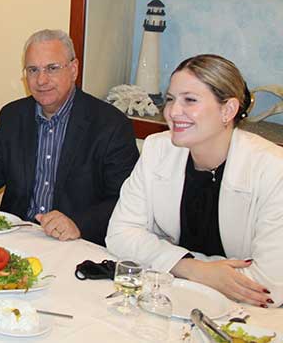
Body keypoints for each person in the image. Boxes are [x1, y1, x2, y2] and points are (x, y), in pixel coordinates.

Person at [0, 29, 139, 246]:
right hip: (15, 237)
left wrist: (79, 224)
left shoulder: (110, 124)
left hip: (74, 243)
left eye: (52, 68)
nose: (41, 80)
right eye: (33, 70)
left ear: (73, 69)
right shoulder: (13, 115)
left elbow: (125, 199)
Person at [106, 54, 281, 307]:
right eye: (170, 99)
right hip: (171, 299)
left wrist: (164, 259)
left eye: (190, 100)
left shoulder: (273, 169)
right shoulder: (157, 149)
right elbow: (119, 235)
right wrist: (193, 268)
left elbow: (269, 286)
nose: (173, 111)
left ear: (228, 110)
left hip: (249, 314)